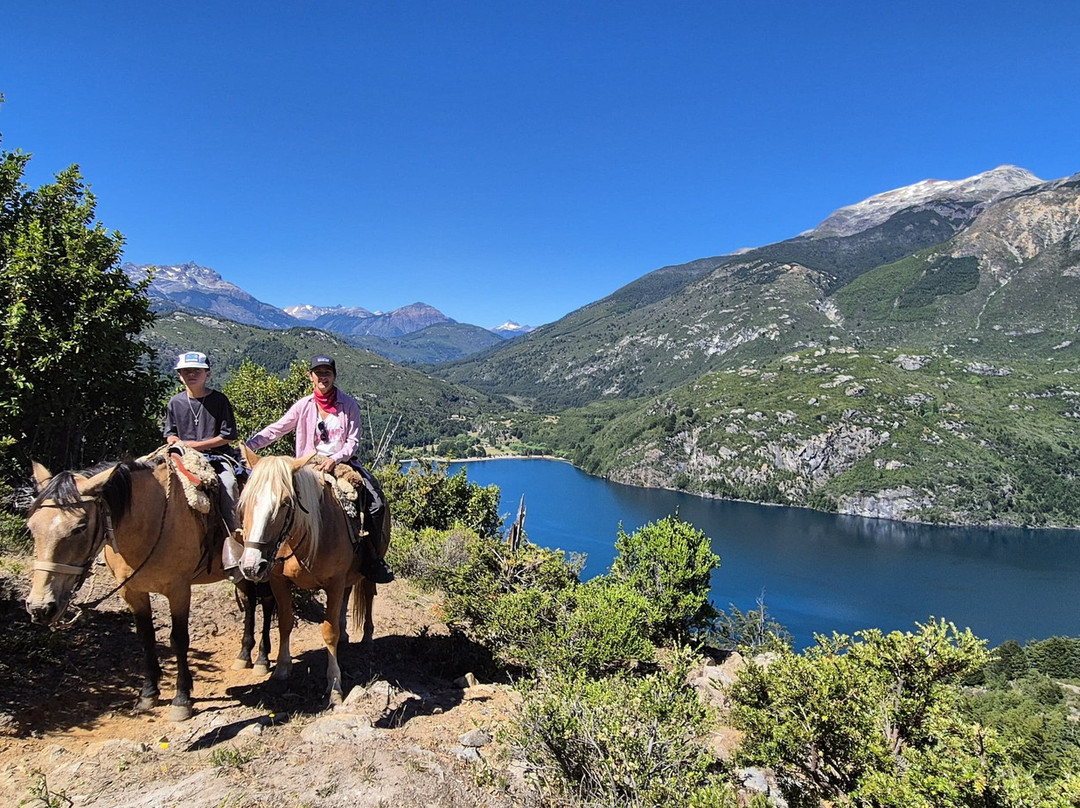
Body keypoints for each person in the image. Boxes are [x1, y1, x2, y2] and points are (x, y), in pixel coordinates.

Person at [245, 355, 393, 584]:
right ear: (310, 376)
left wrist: (335, 459)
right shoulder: (303, 405)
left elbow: (352, 442)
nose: (323, 377)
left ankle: (372, 559)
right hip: (306, 465)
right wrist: (249, 446)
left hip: (342, 464)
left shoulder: (348, 405)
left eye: (327, 373)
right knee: (270, 501)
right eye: (318, 373)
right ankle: (265, 555)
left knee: (376, 503)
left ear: (334, 376)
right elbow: (278, 429)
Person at [164, 350, 245, 577]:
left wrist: (196, 446)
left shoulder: (219, 400)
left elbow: (227, 436)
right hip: (183, 456)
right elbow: (170, 433)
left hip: (217, 457)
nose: (191, 375)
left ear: (207, 374)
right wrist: (177, 443)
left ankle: (233, 537)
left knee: (229, 484)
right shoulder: (175, 402)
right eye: (186, 371)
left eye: (196, 371)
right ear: (179, 375)